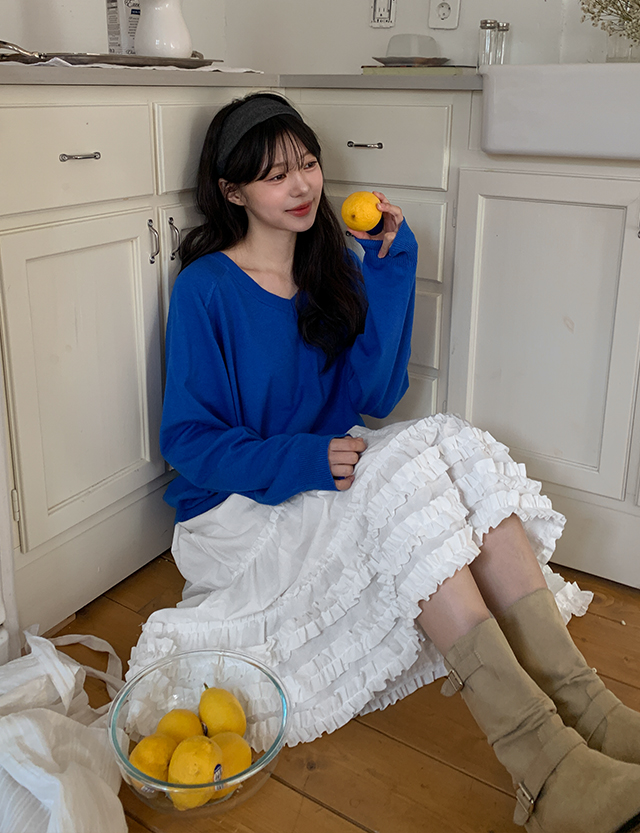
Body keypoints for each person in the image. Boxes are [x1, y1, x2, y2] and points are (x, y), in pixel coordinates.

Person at [129, 92, 640, 832]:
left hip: (326, 478)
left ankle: (592, 714)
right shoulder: (207, 288)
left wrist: (391, 267)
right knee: (419, 462)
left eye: (308, 163)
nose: (302, 185)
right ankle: (548, 767)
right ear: (233, 192)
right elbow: (188, 440)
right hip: (239, 511)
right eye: (275, 175)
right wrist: (306, 456)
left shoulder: (330, 264)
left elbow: (374, 395)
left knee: (453, 447)